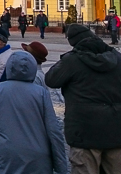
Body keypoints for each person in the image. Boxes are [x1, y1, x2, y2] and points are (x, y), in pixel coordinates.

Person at [45, 24, 121, 174]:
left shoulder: (72, 60)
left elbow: (51, 80)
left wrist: (66, 59)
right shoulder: (117, 58)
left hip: (84, 131)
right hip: (116, 129)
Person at [0, 51, 67, 174]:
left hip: (6, 153)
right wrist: (61, 166)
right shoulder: (41, 93)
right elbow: (53, 129)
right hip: (37, 153)